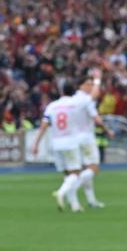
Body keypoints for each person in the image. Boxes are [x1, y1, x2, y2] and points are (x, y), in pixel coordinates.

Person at [32, 81, 92, 213]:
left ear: (61, 92)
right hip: (71, 142)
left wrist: (36, 143)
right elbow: (91, 99)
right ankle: (61, 192)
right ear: (74, 92)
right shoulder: (76, 104)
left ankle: (74, 205)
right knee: (75, 173)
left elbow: (44, 125)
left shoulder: (52, 106)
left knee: (67, 175)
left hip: (56, 143)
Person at [74, 74, 115, 208]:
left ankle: (91, 200)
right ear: (81, 85)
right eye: (88, 84)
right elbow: (97, 119)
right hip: (87, 138)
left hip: (75, 139)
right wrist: (108, 130)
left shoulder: (73, 99)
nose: (91, 87)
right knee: (94, 167)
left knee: (84, 168)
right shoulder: (86, 100)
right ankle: (69, 188)